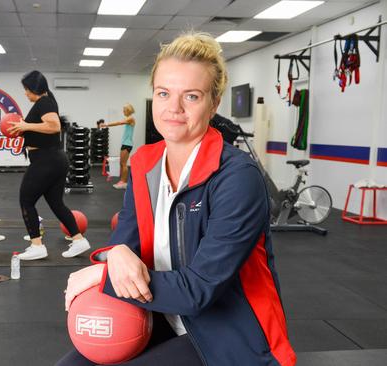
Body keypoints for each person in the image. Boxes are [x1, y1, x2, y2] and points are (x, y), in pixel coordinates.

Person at [59, 32, 296, 366]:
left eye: (192, 96)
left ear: (214, 104)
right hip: (160, 317)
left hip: (227, 337)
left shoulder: (237, 177)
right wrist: (114, 256)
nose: (174, 108)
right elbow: (123, 245)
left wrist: (102, 276)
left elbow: (198, 290)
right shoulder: (143, 163)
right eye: (164, 93)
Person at [7, 70, 91, 260]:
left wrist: (26, 126)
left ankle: (37, 245)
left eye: (27, 90)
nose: (25, 93)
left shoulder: (44, 102)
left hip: (46, 160)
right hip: (54, 160)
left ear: (35, 89)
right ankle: (79, 240)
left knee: (26, 200)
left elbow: (54, 126)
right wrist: (23, 129)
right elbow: (44, 128)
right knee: (56, 203)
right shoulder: (47, 101)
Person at [99, 104, 136, 189]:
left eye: (124, 110)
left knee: (123, 164)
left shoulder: (131, 118)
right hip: (125, 143)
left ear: (128, 110)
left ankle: (124, 182)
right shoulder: (128, 118)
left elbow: (119, 123)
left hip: (127, 144)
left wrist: (106, 125)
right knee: (122, 163)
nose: (123, 112)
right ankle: (122, 181)